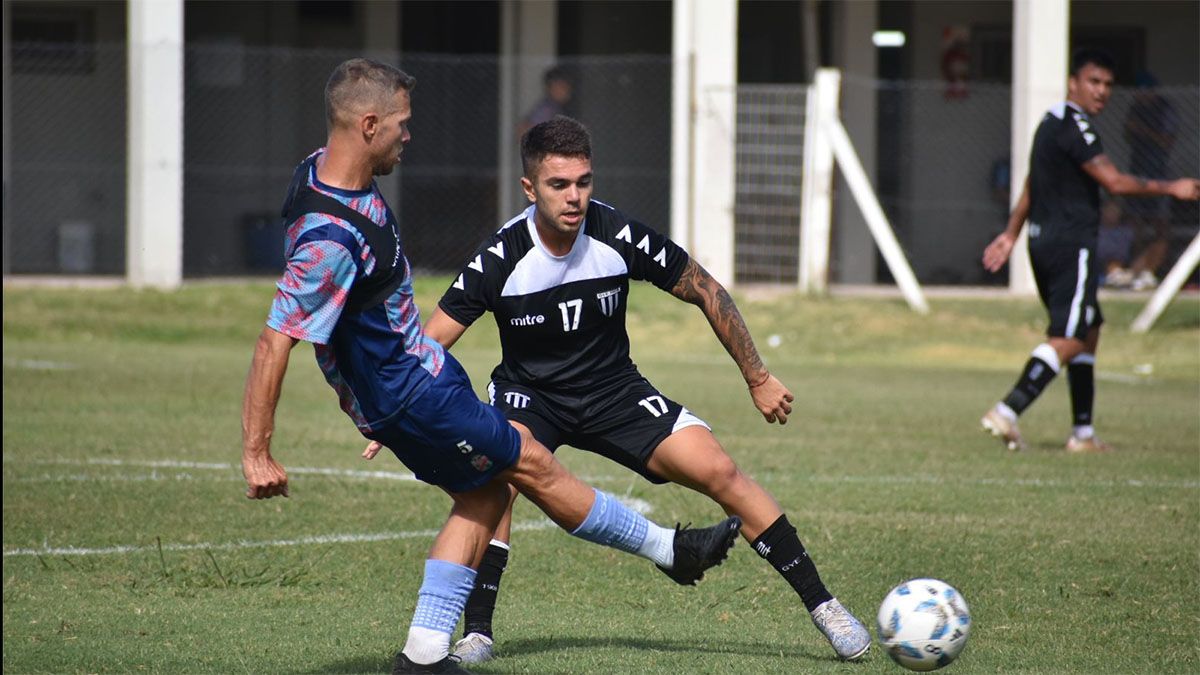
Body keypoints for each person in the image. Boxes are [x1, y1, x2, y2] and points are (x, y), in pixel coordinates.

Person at [241, 59, 741, 675]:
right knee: (532, 464)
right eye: (401, 123)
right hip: (414, 391)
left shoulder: (315, 172)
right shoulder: (332, 237)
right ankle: (669, 550)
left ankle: (423, 657)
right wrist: (258, 451)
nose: (408, 134)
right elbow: (275, 341)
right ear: (368, 125)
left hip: (406, 384)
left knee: (483, 493)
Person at [363, 115, 872, 664]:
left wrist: (758, 376)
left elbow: (704, 288)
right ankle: (478, 634)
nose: (575, 196)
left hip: (614, 391)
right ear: (530, 188)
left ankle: (826, 607)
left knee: (720, 471)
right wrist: (393, 407)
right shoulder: (502, 257)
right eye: (559, 185)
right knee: (496, 477)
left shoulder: (616, 233)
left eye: (584, 181)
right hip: (531, 396)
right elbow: (431, 339)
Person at [979, 48, 1200, 452]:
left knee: (1089, 328)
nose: (1101, 92)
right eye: (1093, 82)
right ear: (1073, 82)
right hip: (1070, 245)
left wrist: (1011, 233)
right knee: (1068, 335)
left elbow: (1032, 184)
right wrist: (1172, 187)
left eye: (1108, 85)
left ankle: (1082, 433)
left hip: (1044, 241)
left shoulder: (1050, 122)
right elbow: (1113, 182)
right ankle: (1007, 411)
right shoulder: (1076, 127)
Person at [1121, 71, 1179, 291]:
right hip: (1138, 173)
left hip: (1158, 173)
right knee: (1135, 223)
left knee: (1160, 223)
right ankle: (1136, 270)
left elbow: (1166, 141)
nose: (1139, 97)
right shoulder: (1135, 110)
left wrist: (1143, 130)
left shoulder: (1164, 110)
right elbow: (1127, 136)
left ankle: (1151, 270)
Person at [516, 65, 573, 139]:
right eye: (561, 87)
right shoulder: (546, 109)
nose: (566, 91)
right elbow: (523, 129)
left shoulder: (557, 107)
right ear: (550, 88)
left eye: (567, 87)